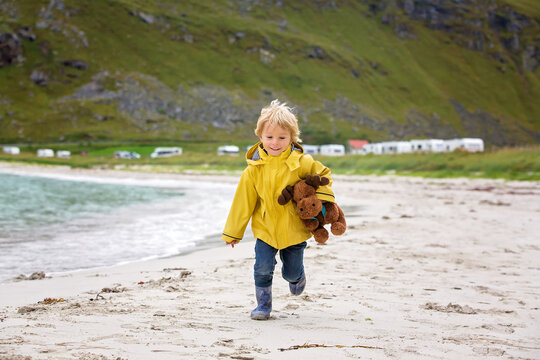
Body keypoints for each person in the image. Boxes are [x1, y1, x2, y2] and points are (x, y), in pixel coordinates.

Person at [222, 99, 335, 320]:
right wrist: (233, 232)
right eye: (269, 137)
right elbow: (242, 202)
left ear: (292, 137)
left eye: (282, 138)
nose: (275, 143)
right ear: (260, 137)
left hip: (294, 229)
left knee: (291, 271)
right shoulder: (253, 170)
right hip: (265, 229)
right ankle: (263, 306)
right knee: (262, 268)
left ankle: (297, 277)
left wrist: (319, 202)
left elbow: (325, 177)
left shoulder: (302, 162)